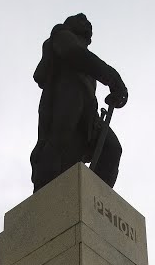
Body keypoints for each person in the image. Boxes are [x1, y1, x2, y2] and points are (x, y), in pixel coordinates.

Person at [30, 13, 128, 192]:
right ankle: (43, 196)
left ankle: (94, 198)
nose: (87, 24)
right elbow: (74, 54)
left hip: (89, 111)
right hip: (65, 98)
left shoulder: (86, 57)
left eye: (89, 23)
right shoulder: (60, 34)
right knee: (58, 146)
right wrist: (112, 78)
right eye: (82, 20)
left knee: (112, 148)